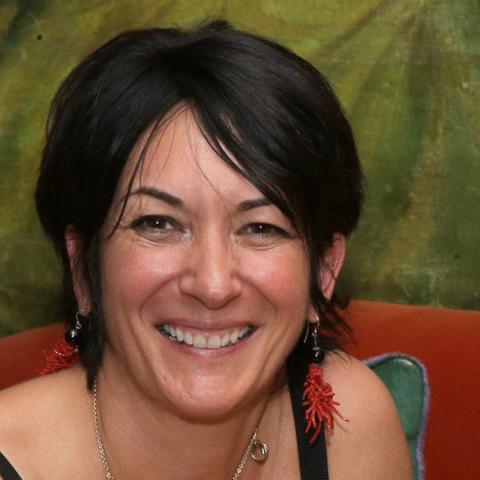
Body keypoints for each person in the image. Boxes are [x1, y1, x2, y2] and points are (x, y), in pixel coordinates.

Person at [0, 20, 412, 480]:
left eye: (260, 227)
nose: (213, 285)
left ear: (324, 270)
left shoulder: (348, 427)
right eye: (158, 223)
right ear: (83, 268)